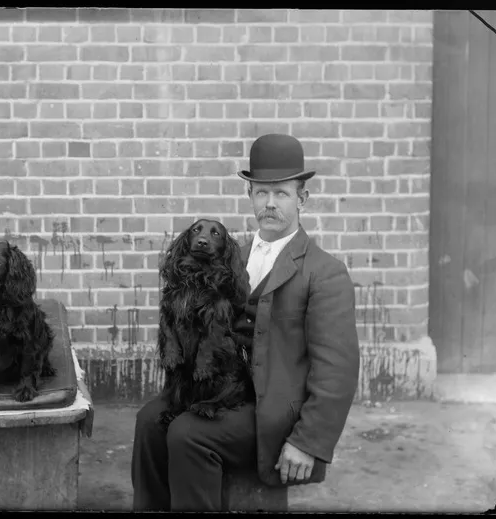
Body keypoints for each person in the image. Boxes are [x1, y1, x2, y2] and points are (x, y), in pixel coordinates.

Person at [131, 133, 360, 512]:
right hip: (221, 391)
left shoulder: (325, 273)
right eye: (261, 192)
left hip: (273, 412)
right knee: (149, 421)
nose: (270, 203)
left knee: (189, 435)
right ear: (250, 194)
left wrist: (307, 441)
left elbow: (338, 369)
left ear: (302, 198)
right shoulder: (228, 257)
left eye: (282, 193)